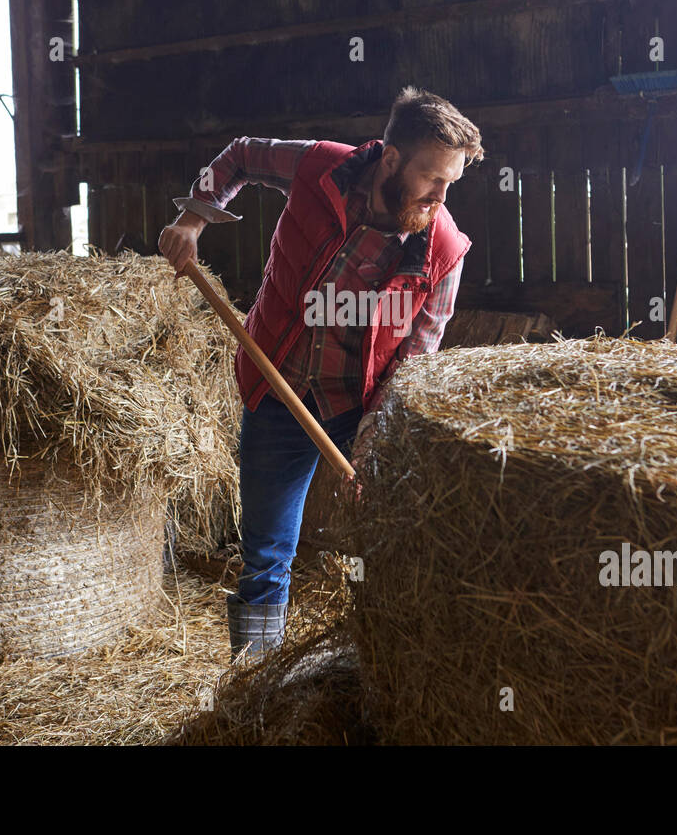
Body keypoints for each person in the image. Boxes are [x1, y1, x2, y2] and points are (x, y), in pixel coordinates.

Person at [158, 86, 483, 662]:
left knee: (389, 541)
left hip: (359, 408)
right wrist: (191, 220)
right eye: (433, 178)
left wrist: (375, 442)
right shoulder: (319, 167)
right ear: (390, 158)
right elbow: (241, 154)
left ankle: (390, 668)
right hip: (277, 383)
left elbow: (416, 356)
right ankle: (256, 681)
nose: (441, 195)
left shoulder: (444, 251)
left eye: (451, 182)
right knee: (265, 552)